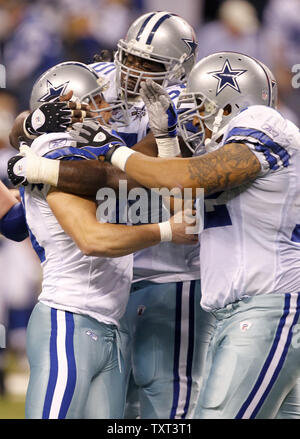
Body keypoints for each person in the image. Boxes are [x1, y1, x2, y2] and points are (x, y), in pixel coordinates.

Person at [16, 51, 300, 418]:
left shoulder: (261, 123)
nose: (194, 117)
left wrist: (116, 150)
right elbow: (178, 202)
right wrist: (36, 130)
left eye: (201, 105)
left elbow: (183, 178)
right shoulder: (223, 143)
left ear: (229, 104)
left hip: (267, 306)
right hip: (247, 308)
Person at [7, 11, 215, 419]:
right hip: (112, 275)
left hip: (167, 268)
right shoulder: (98, 77)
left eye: (149, 65)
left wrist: (47, 169)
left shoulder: (185, 103)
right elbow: (22, 129)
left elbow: (127, 178)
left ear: (177, 70)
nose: (134, 72)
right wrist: (35, 120)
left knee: (165, 400)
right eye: (131, 58)